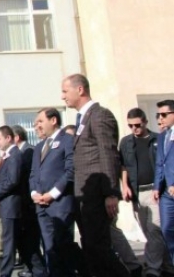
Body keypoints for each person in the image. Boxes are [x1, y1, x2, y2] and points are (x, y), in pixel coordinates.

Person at [61, 73, 129, 277]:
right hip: (86, 196)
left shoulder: (99, 115)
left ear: (80, 89)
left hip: (97, 195)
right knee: (91, 248)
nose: (63, 96)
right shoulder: (82, 118)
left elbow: (108, 154)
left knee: (99, 248)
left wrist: (110, 193)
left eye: (65, 91)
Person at [118, 107, 173, 277]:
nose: (134, 129)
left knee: (155, 229)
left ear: (145, 122)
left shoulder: (158, 139)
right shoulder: (126, 142)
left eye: (137, 125)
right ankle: (168, 267)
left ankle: (152, 269)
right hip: (137, 193)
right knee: (149, 233)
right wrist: (125, 186)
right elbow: (123, 166)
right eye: (130, 126)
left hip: (156, 192)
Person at [31, 108, 76, 277]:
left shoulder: (67, 140)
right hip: (41, 205)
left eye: (40, 121)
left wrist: (52, 194)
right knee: (49, 249)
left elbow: (70, 170)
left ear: (53, 120)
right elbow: (33, 174)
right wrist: (34, 193)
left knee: (63, 247)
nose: (37, 126)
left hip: (60, 204)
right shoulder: (39, 147)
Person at [12, 125, 45, 277]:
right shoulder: (21, 152)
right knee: (27, 239)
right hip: (24, 203)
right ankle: (32, 268)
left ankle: (39, 270)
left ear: (16, 137)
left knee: (32, 238)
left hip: (30, 202)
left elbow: (27, 177)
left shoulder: (28, 152)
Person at [0, 126, 23, 277]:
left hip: (11, 206)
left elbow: (12, 180)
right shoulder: (7, 156)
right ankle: (39, 270)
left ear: (8, 138)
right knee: (20, 243)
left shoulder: (14, 155)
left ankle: (5, 274)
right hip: (7, 206)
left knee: (8, 243)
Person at [154, 99, 174, 267]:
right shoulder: (162, 136)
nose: (160, 118)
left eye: (164, 114)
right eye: (158, 115)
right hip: (166, 191)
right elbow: (160, 163)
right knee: (166, 229)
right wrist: (156, 186)